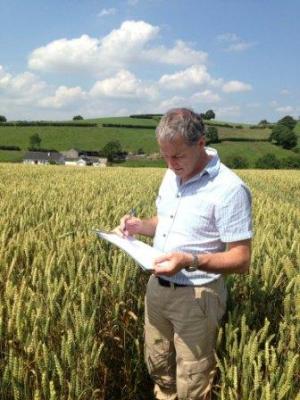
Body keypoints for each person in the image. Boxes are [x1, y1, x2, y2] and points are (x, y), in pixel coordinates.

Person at [115, 108, 252, 400]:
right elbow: (165, 224)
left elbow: (241, 259)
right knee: (159, 367)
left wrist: (189, 260)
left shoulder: (229, 189)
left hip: (198, 297)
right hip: (157, 289)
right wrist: (140, 226)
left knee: (192, 380)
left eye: (177, 156)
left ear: (200, 143)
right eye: (164, 156)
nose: (170, 163)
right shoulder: (171, 174)